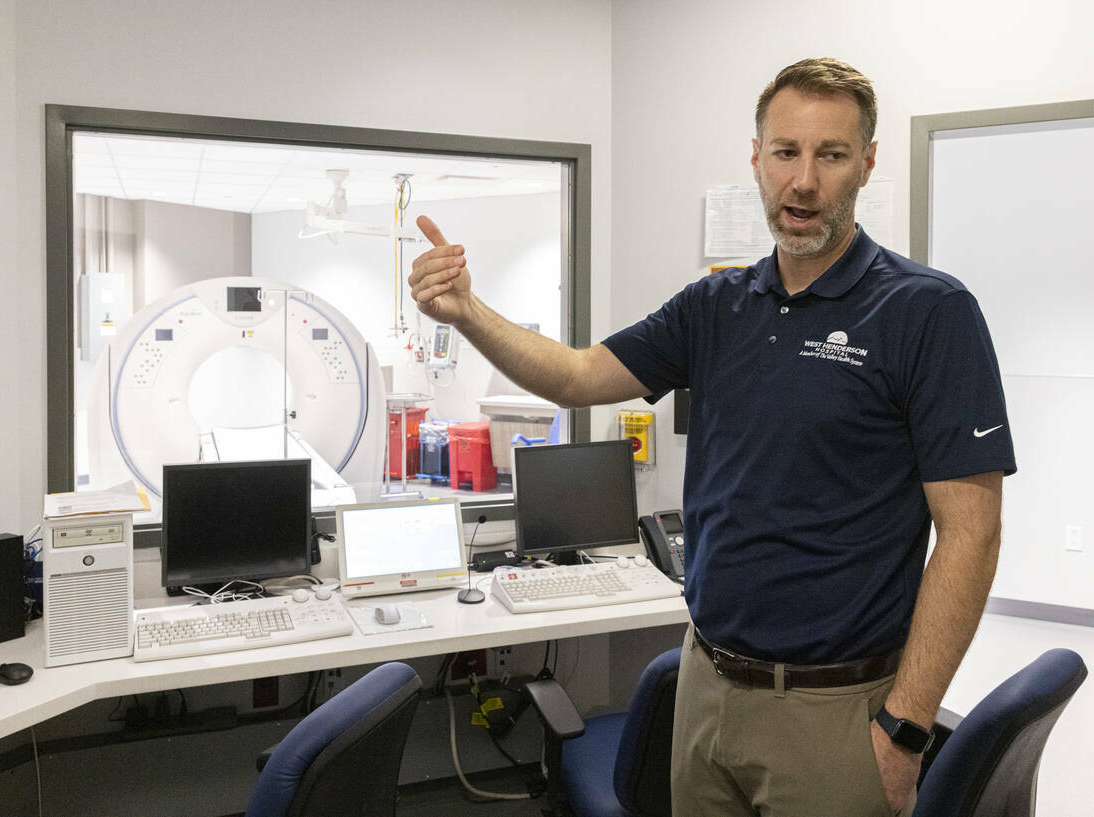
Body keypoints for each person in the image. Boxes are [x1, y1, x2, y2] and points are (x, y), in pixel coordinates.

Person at [409, 57, 1015, 817]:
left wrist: (905, 729)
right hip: (705, 687)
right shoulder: (717, 304)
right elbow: (574, 375)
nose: (803, 182)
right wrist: (468, 311)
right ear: (756, 158)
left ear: (865, 163)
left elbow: (972, 535)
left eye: (830, 155)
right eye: (786, 153)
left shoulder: (928, 313)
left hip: (834, 712)